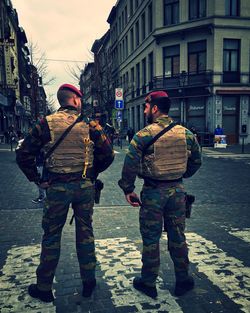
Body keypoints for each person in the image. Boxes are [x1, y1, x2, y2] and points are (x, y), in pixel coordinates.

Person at [16, 83, 114, 302]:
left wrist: (38, 179)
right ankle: (89, 282)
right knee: (85, 233)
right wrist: (91, 172)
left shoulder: (45, 123)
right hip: (83, 187)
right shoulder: (90, 124)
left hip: (56, 188)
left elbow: (24, 155)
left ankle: (43, 287)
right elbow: (108, 154)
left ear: (61, 101)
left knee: (51, 236)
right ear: (76, 100)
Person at [118, 90, 202, 299]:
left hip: (153, 191)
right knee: (178, 236)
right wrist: (180, 175)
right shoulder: (186, 133)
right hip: (177, 192)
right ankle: (183, 280)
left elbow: (129, 165)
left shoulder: (143, 135)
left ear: (154, 108)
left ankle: (148, 282)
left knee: (151, 238)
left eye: (146, 107)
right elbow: (196, 161)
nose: (145, 110)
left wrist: (128, 189)